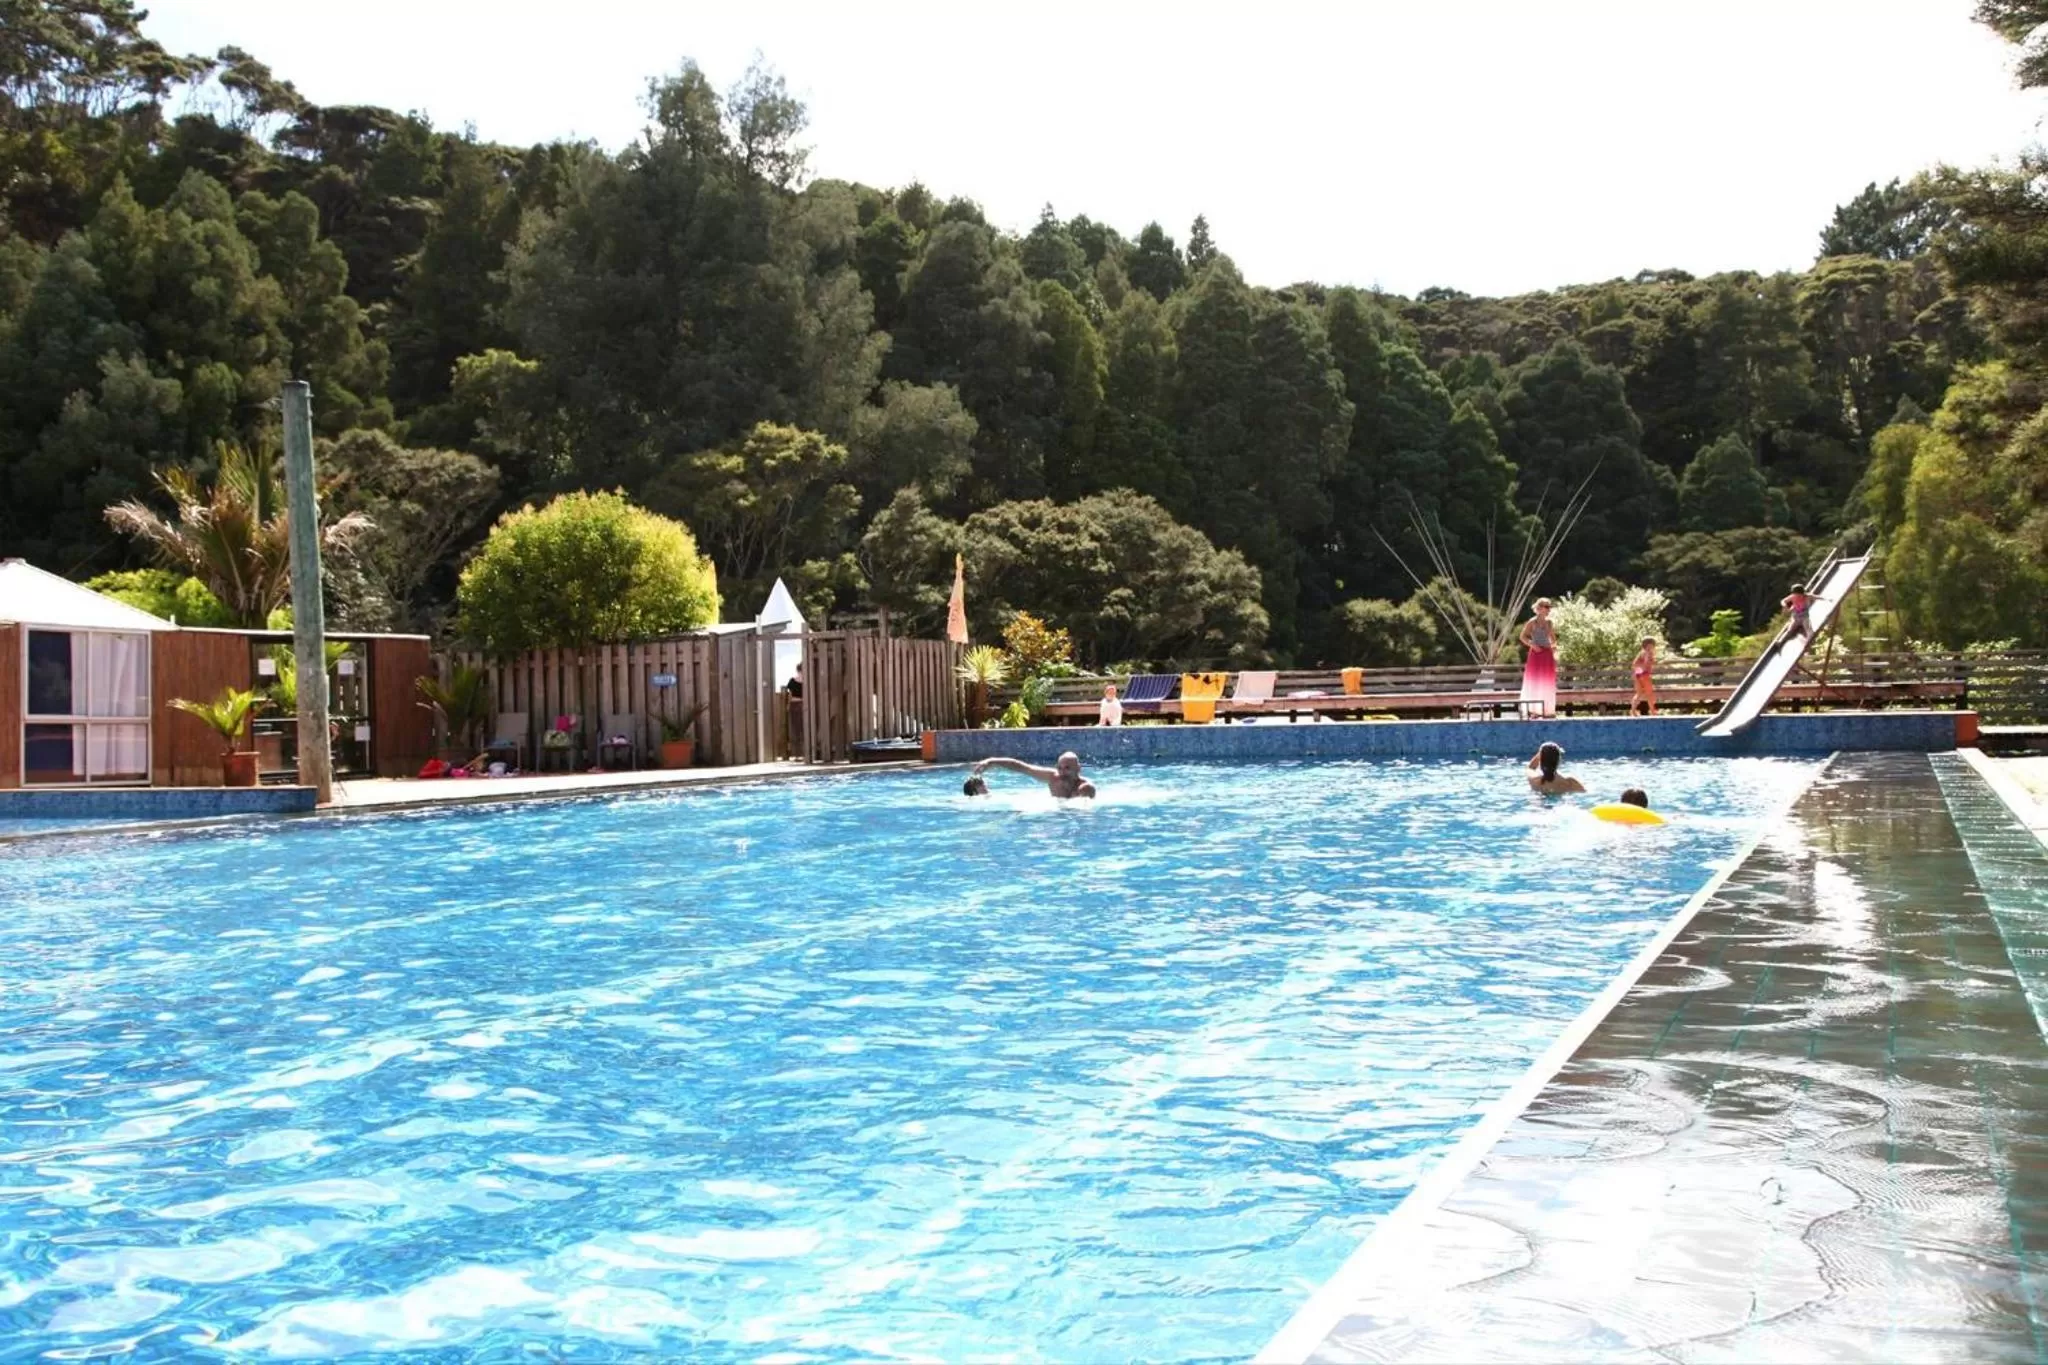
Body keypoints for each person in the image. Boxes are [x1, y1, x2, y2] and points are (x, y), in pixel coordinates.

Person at [972, 752, 1097, 799]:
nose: (1062, 772)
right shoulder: (1053, 778)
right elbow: (1021, 767)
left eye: (1067, 768)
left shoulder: (1086, 787)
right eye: (1059, 768)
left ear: (1078, 769)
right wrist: (992, 761)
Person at [1519, 598, 1558, 719]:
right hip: (1535, 654)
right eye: (1546, 607)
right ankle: (1533, 710)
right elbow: (1522, 637)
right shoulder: (1532, 622)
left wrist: (1554, 650)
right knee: (1534, 681)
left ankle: (1547, 710)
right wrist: (1532, 645)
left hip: (1546, 654)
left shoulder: (1549, 623)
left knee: (1547, 682)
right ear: (1539, 608)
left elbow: (1553, 639)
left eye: (1549, 607)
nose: (1548, 610)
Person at [1631, 636, 1658, 716]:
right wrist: (1652, 662)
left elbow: (1634, 664)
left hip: (1637, 674)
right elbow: (1647, 663)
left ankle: (1633, 711)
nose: (1653, 647)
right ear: (1650, 645)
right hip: (1645, 675)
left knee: (1639, 693)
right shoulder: (1648, 652)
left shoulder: (1641, 652)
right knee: (1649, 693)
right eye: (1653, 645)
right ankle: (1653, 711)